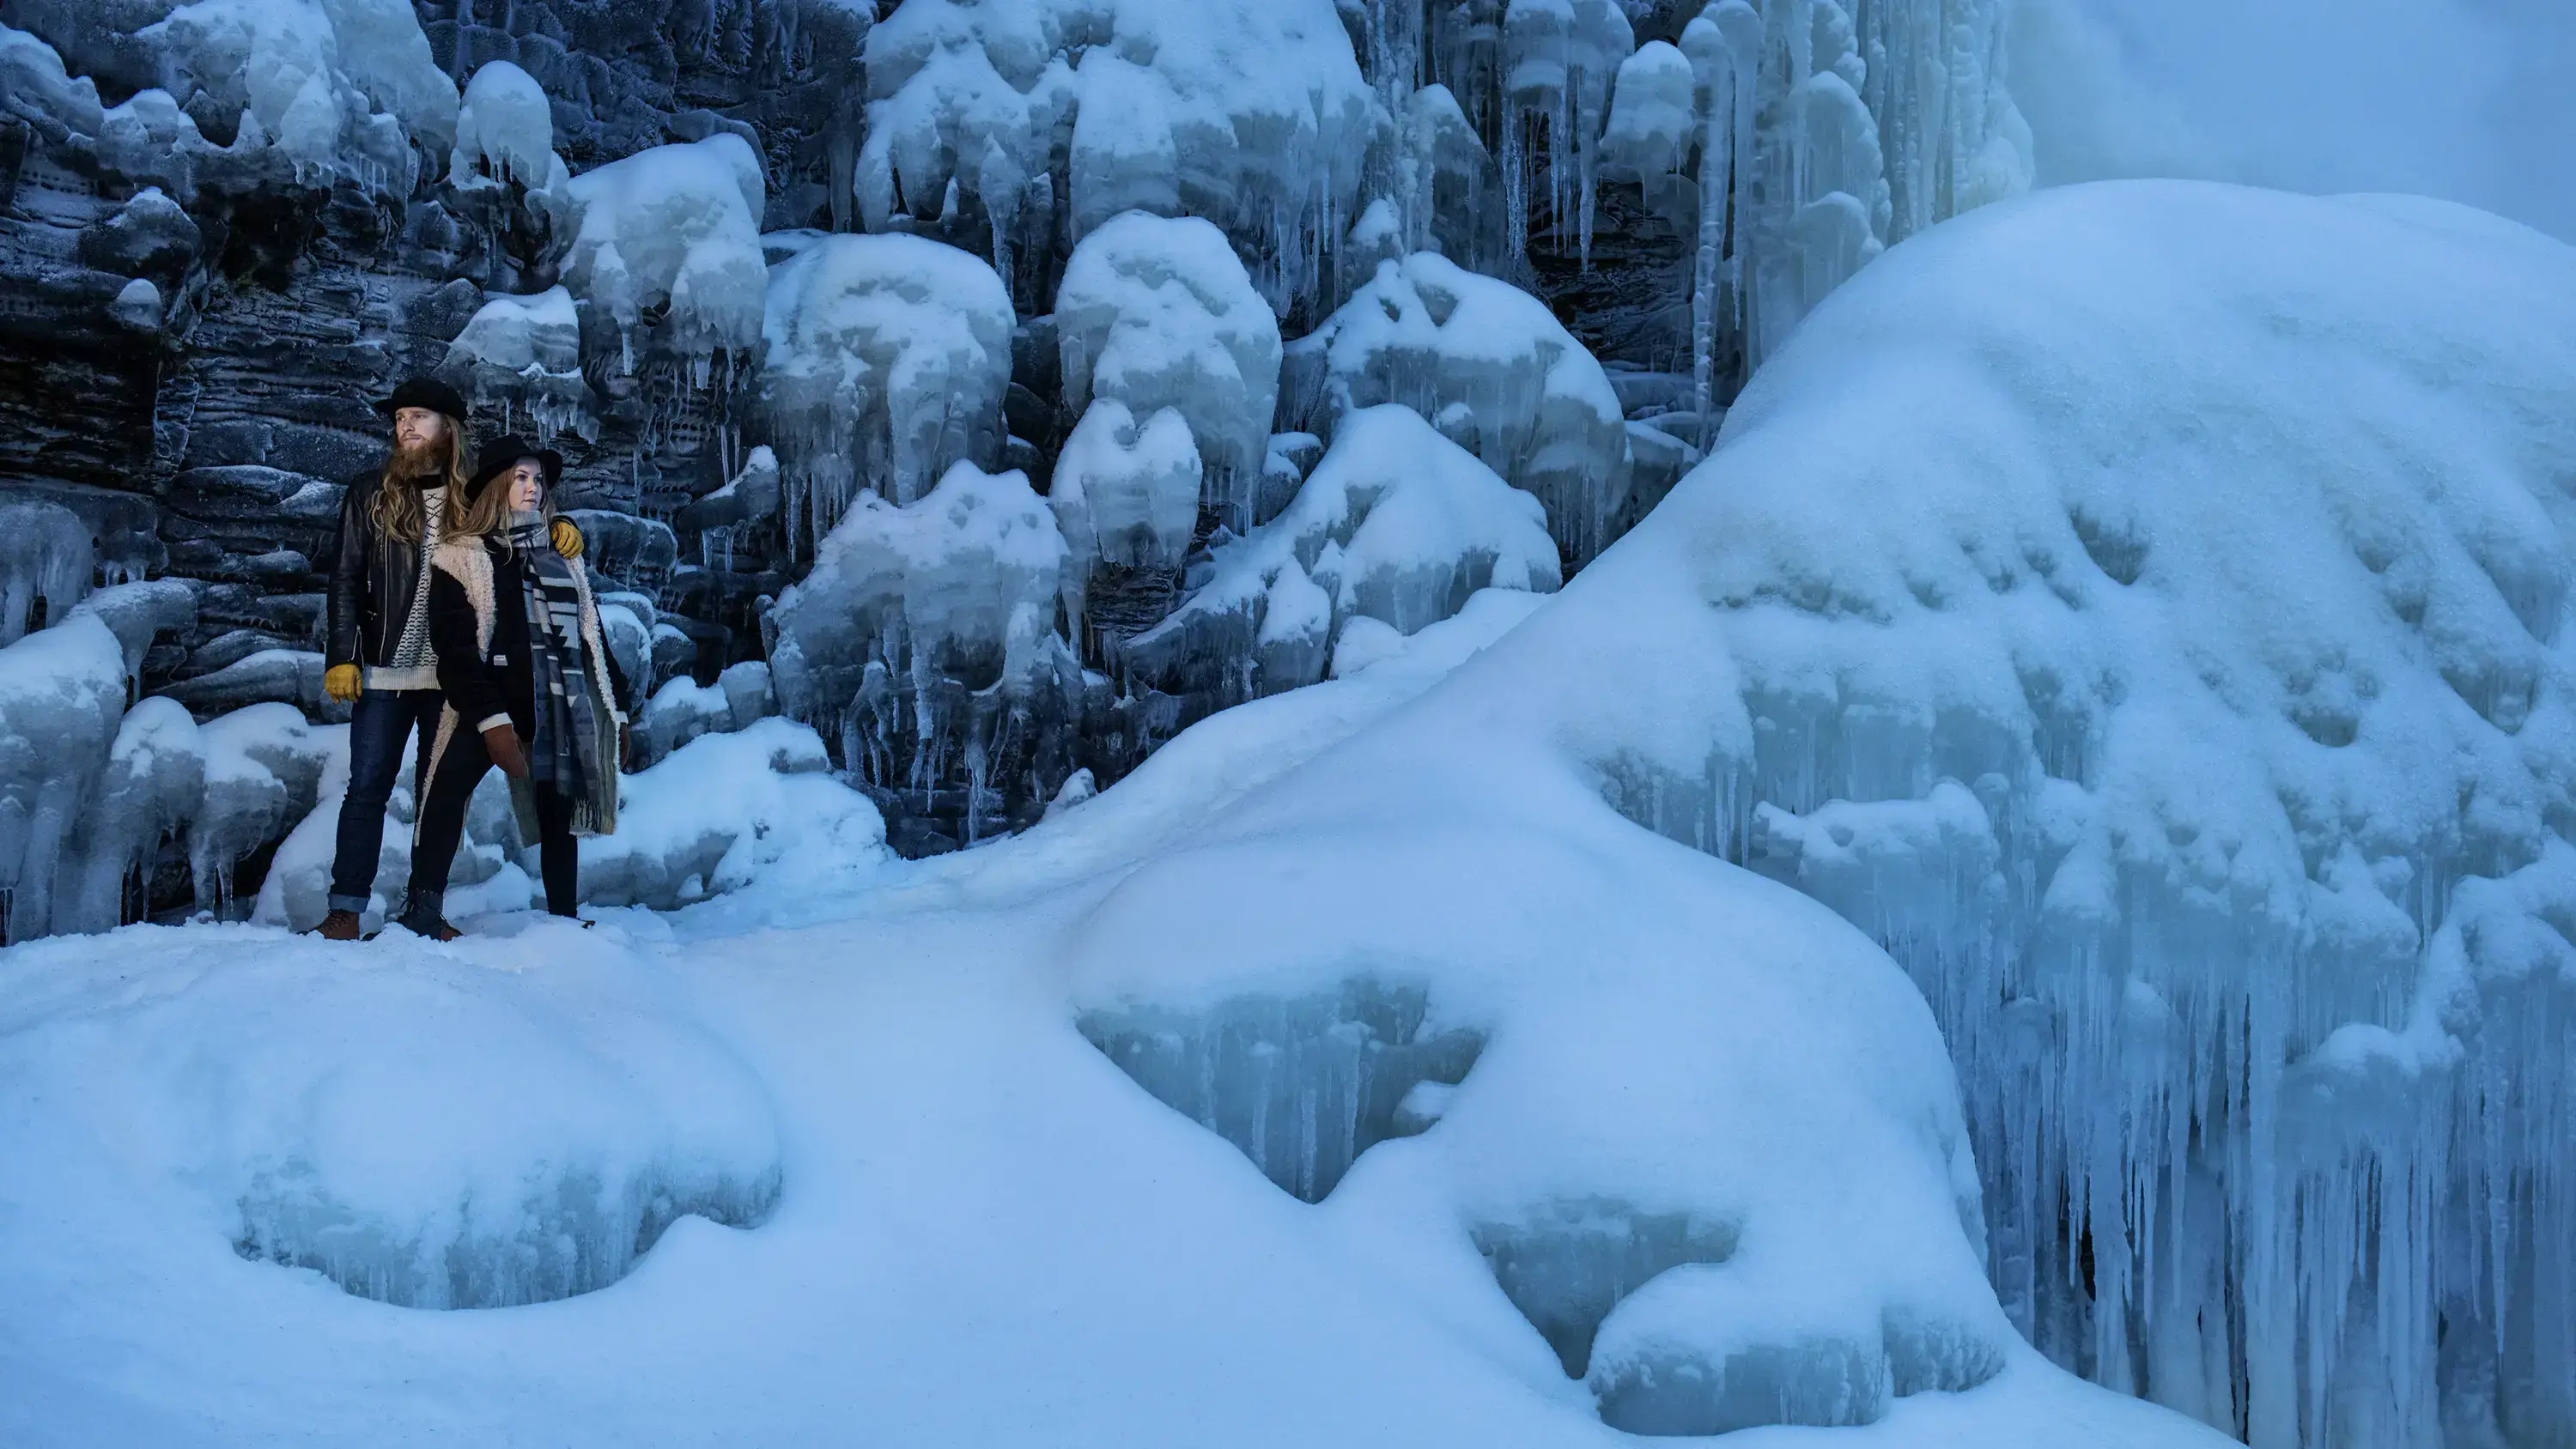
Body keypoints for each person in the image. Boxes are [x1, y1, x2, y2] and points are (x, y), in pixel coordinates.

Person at [310, 379, 585, 940]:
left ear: (449, 428)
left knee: (439, 795)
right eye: (399, 418)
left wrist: (561, 525)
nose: (405, 426)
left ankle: (424, 909)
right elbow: (345, 578)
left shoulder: (473, 493)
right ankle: (345, 911)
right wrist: (342, 655)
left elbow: (518, 530)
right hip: (384, 668)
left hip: (455, 674)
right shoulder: (369, 493)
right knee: (367, 788)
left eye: (418, 416)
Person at [394, 437, 629, 940]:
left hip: (553, 708)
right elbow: (454, 650)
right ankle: (423, 910)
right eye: (521, 477)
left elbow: (592, 638)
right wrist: (491, 720)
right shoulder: (461, 557)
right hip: (487, 705)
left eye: (538, 480)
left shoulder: (561, 555)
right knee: (445, 792)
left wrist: (619, 710)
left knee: (558, 809)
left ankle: (563, 919)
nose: (532, 488)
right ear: (497, 486)